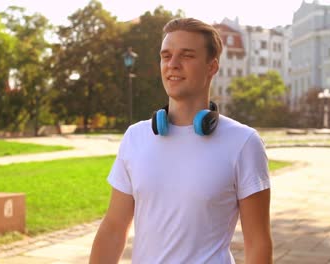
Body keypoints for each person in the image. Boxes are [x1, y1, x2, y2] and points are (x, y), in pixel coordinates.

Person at [89, 17, 272, 264]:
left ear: (212, 66)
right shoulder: (136, 137)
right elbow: (113, 228)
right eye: (166, 56)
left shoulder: (243, 142)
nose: (172, 64)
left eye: (186, 55)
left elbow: (258, 243)